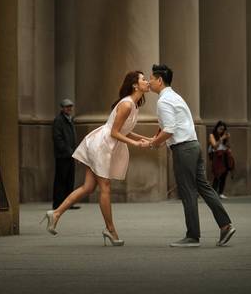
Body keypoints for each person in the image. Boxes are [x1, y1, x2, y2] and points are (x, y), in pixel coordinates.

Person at [41, 71, 152, 246]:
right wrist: (135, 143)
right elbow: (115, 132)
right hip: (102, 145)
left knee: (88, 187)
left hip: (105, 144)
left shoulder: (134, 105)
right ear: (135, 85)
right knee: (105, 187)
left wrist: (145, 139)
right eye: (143, 79)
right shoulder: (127, 104)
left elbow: (123, 130)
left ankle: (55, 213)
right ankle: (110, 229)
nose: (147, 81)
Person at [146, 64, 235, 248]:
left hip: (183, 149)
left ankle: (193, 236)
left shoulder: (163, 101)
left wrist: (155, 143)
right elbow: (170, 125)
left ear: (160, 80)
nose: (149, 82)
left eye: (151, 79)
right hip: (194, 146)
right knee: (204, 187)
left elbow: (169, 129)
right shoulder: (176, 96)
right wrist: (158, 138)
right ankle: (225, 225)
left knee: (187, 192)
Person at [52, 98, 80, 210]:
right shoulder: (58, 121)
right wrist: (69, 151)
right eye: (67, 107)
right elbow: (58, 139)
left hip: (70, 155)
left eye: (70, 107)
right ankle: (58, 204)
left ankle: (68, 203)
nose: (69, 109)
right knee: (60, 180)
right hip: (62, 156)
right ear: (62, 108)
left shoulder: (70, 120)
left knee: (69, 180)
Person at [207, 120, 233, 198]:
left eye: (223, 129)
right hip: (216, 156)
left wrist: (227, 139)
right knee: (217, 174)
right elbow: (215, 145)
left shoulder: (224, 137)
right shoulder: (212, 135)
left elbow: (228, 147)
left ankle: (221, 192)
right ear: (217, 128)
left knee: (224, 174)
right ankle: (214, 192)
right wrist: (222, 138)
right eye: (220, 129)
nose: (221, 131)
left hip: (224, 155)